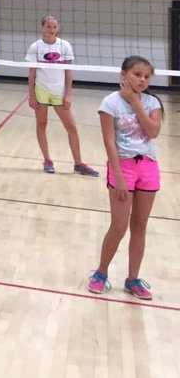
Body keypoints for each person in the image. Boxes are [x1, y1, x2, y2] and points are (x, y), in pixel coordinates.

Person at [88, 56, 163, 300]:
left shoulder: (152, 102)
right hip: (124, 167)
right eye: (137, 74)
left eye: (146, 76)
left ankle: (133, 279)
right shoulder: (110, 102)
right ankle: (100, 273)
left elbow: (153, 132)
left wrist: (135, 102)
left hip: (148, 167)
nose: (142, 79)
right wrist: (118, 175)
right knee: (119, 226)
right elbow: (109, 141)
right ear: (123, 75)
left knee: (139, 227)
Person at [26, 16, 99, 176]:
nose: (51, 29)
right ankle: (47, 160)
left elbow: (68, 72)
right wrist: (31, 96)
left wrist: (68, 95)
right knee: (41, 124)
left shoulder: (64, 45)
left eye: (54, 26)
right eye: (48, 26)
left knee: (71, 127)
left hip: (59, 92)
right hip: (41, 91)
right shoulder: (35, 47)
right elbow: (31, 73)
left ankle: (78, 164)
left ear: (57, 28)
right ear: (42, 28)